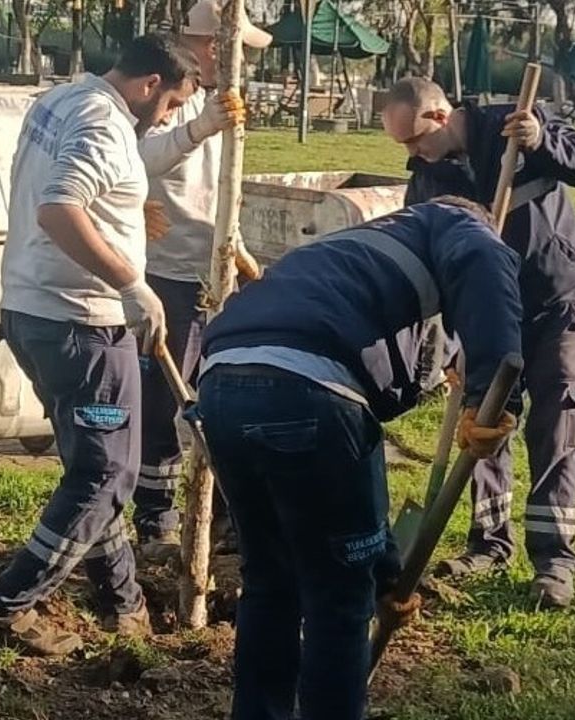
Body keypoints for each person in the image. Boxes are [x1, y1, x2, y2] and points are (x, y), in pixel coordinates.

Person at [196, 198, 523, 720]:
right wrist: (491, 395)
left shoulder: (348, 252)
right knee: (338, 598)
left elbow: (357, 471)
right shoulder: (458, 223)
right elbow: (486, 264)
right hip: (309, 390)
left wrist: (389, 576)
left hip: (219, 388)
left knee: (270, 580)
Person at [0, 34, 200, 658]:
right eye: (172, 104)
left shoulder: (61, 100)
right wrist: (132, 283)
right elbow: (59, 208)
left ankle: (121, 599)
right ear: (150, 85)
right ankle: (7, 610)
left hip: (30, 313)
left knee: (91, 465)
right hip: (84, 329)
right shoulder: (103, 124)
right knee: (106, 473)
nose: (169, 118)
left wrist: (123, 213)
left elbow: (84, 189)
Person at [380, 77, 575, 608]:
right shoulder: (427, 182)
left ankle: (554, 560)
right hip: (487, 320)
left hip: (555, 303)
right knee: (485, 425)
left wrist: (540, 142)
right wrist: (458, 339)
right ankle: (489, 543)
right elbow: (435, 265)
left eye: (414, 141)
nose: (413, 155)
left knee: (558, 424)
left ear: (437, 116)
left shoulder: (517, 121)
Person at [132, 0, 271, 562]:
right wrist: (196, 127)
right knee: (163, 400)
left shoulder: (222, 104)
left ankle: (226, 518)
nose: (246, 62)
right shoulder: (168, 92)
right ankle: (157, 520)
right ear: (214, 45)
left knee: (225, 398)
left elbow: (219, 188)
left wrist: (236, 247)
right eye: (238, 48)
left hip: (215, 273)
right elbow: (136, 157)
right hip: (168, 273)